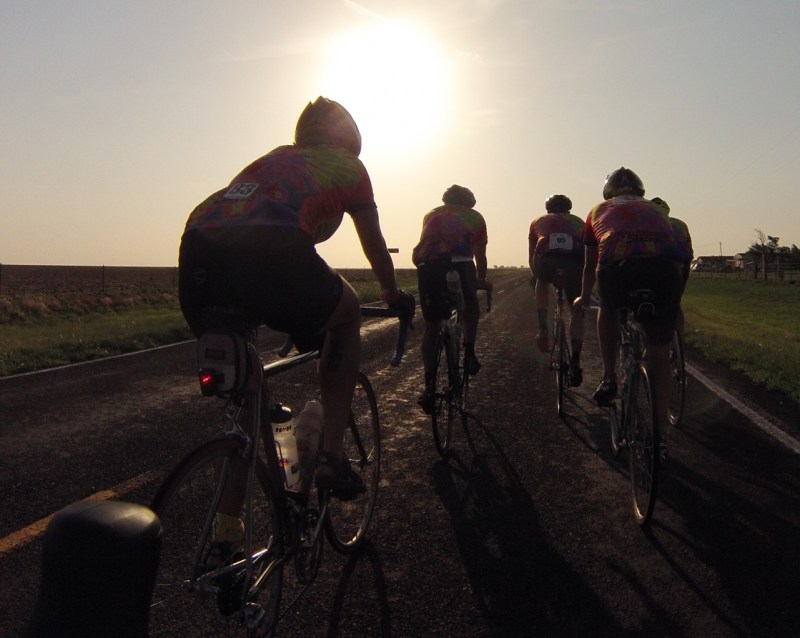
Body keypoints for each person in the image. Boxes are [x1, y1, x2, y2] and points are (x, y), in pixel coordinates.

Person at [179, 97, 414, 508]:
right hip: (275, 245)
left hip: (199, 247)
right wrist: (391, 292)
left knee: (247, 400)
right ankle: (332, 459)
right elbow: (373, 240)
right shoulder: (349, 166)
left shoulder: (276, 157)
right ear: (349, 140)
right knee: (346, 314)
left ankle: (226, 543)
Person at [574, 168, 684, 457]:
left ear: (608, 192)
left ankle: (609, 376)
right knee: (658, 353)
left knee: (608, 307)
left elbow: (589, 264)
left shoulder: (597, 210)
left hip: (618, 270)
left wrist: (583, 297)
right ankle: (660, 436)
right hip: (663, 273)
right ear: (641, 191)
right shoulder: (658, 210)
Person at [412, 185, 489, 413]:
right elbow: (480, 254)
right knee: (471, 306)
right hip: (460, 263)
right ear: (469, 202)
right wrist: (480, 280)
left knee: (432, 328)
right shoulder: (474, 216)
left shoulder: (431, 214)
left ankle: (428, 387)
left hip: (427, 266)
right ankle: (470, 352)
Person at [528, 194, 586, 386]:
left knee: (541, 283)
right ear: (569, 209)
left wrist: (535, 274)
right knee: (576, 309)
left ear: (548, 209)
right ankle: (576, 360)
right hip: (574, 265)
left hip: (546, 262)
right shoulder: (579, 222)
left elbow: (533, 253)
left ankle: (543, 328)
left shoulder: (538, 221)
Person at [651, 196, 693, 337]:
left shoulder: (647, 224)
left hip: (657, 265)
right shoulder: (680, 224)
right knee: (675, 303)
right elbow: (689, 251)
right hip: (681, 265)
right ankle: (679, 340)